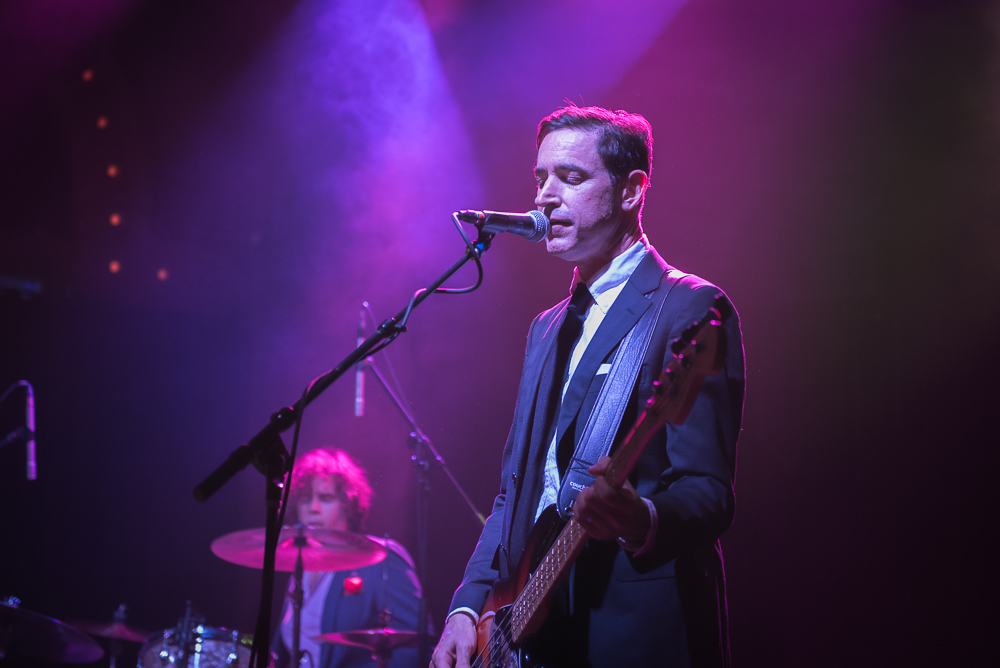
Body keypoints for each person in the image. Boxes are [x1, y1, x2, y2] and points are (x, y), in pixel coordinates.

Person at [430, 106, 745, 668]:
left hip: (632, 630)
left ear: (631, 191)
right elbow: (515, 492)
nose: (545, 196)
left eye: (570, 178)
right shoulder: (545, 328)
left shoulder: (688, 308)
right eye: (540, 178)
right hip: (531, 632)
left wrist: (641, 518)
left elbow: (707, 490)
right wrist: (466, 606)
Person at [271, 448, 425, 668]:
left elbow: (414, 647)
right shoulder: (299, 568)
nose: (312, 509)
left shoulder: (381, 557)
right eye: (305, 499)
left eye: (325, 498)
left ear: (347, 504)